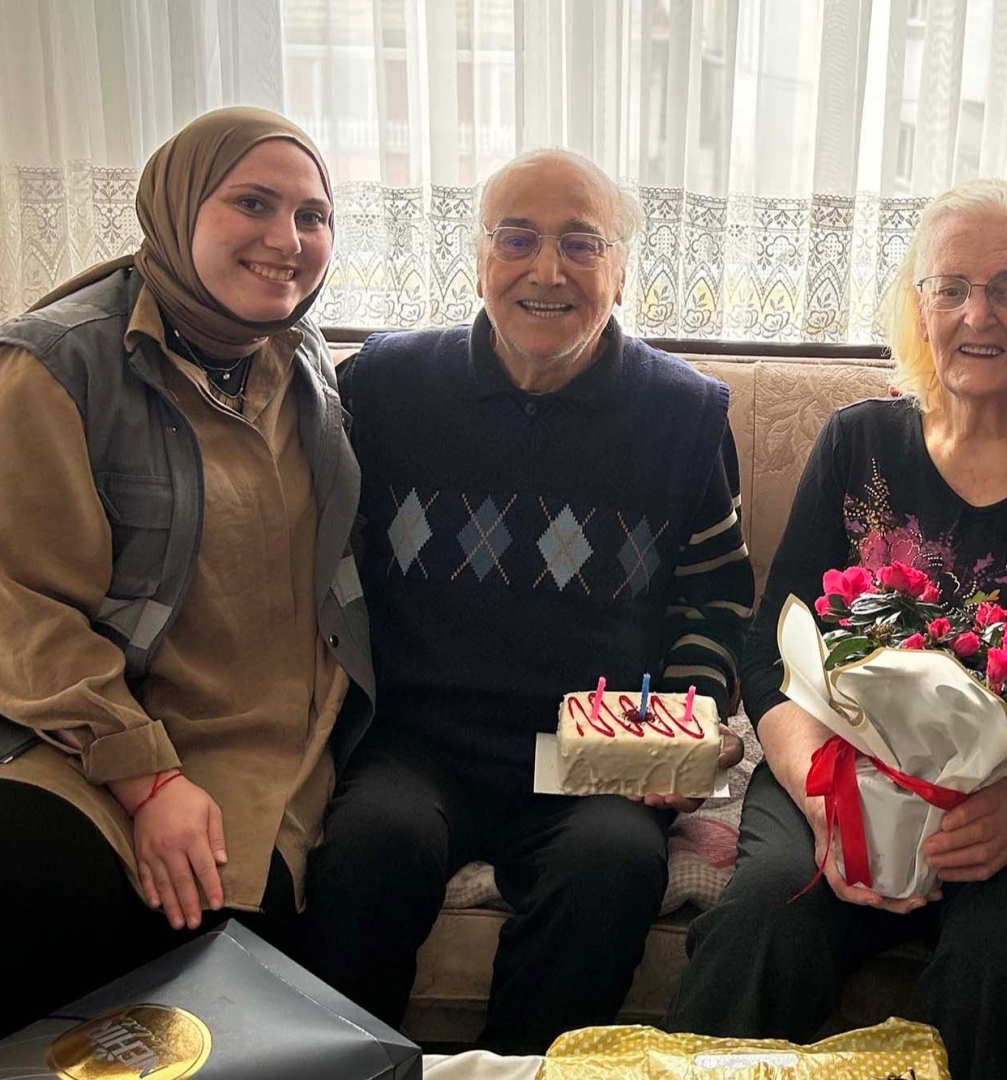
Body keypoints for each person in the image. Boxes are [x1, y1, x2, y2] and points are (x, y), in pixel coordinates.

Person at [665, 178, 1007, 1080]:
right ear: (919, 306)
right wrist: (826, 795)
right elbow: (771, 652)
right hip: (849, 780)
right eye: (952, 288)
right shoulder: (857, 442)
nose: (978, 315)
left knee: (1003, 969)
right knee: (760, 930)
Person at [0, 107, 373, 1076]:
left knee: (233, 986)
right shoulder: (38, 370)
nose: (287, 239)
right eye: (251, 204)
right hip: (51, 727)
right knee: (11, 885)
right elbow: (19, 614)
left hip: (257, 740)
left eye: (312, 216)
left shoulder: (296, 358)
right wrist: (148, 778)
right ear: (174, 208)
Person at [294, 148, 753, 1053]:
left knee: (610, 867)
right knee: (371, 849)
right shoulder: (382, 387)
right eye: (517, 240)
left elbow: (712, 605)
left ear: (619, 273)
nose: (547, 270)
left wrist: (684, 733)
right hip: (419, 736)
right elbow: (315, 566)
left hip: (594, 745)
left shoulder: (685, 416)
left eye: (581, 243)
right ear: (478, 262)